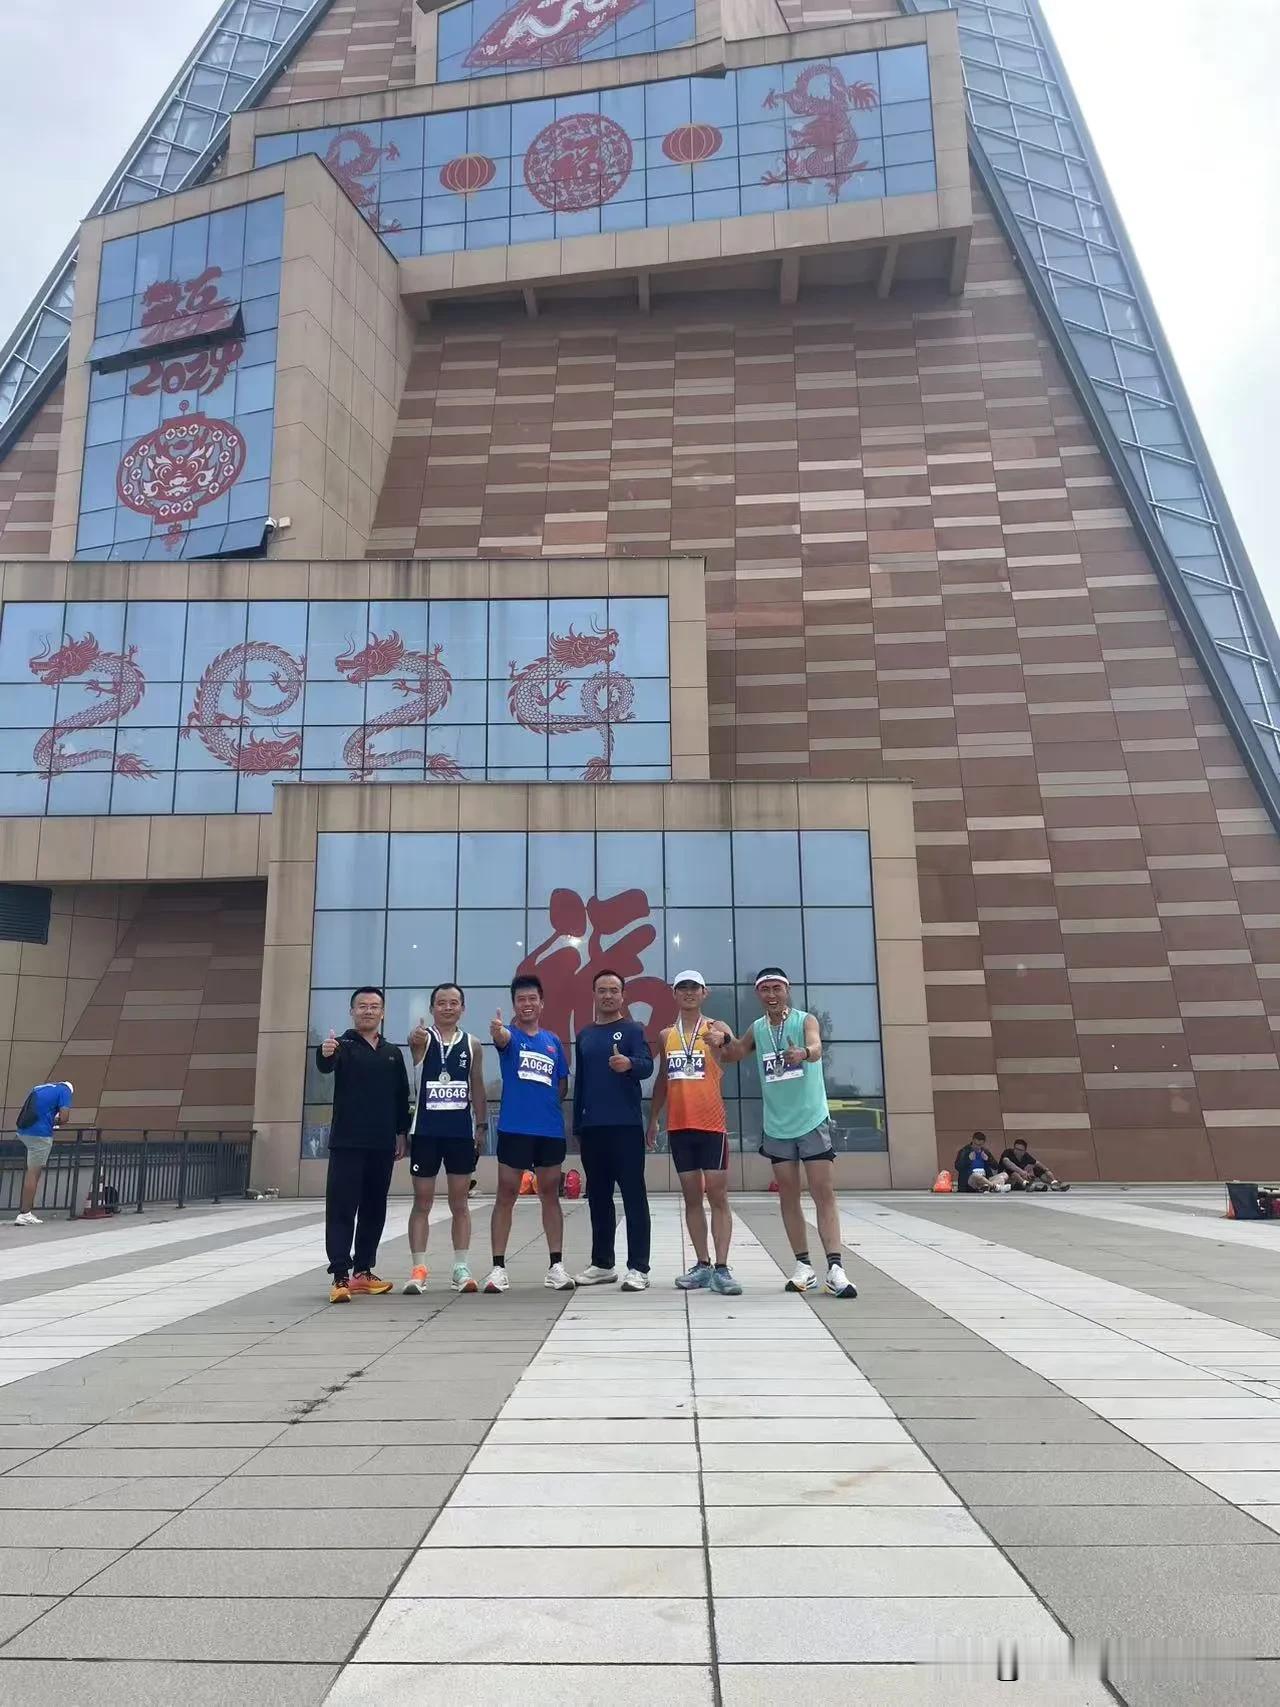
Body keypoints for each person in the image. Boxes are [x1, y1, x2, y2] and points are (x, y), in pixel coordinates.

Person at [719, 968, 857, 1298]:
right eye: (765, 989)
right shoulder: (757, 1028)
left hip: (811, 1119)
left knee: (823, 1191)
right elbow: (735, 1053)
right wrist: (722, 1038)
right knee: (788, 1195)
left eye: (776, 988)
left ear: (787, 990)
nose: (771, 994)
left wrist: (803, 1053)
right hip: (777, 1126)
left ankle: (836, 1268)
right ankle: (803, 1266)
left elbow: (816, 1046)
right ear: (758, 993)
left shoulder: (804, 1020)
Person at [647, 972, 741, 1295]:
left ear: (704, 993)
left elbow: (736, 1053)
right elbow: (663, 1078)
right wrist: (653, 1118)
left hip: (711, 1125)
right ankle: (702, 1264)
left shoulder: (716, 1027)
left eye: (694, 988)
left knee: (717, 1195)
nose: (688, 993)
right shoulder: (666, 1035)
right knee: (691, 1197)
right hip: (679, 1126)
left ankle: (722, 1268)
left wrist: (724, 1041)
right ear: (674, 994)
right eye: (682, 988)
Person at [316, 987, 410, 1303]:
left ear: (382, 1012)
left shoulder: (392, 1052)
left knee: (374, 1208)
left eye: (374, 1006)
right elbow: (325, 1064)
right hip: (347, 1142)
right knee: (342, 1208)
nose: (368, 1010)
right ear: (352, 1011)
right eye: (362, 1006)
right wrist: (325, 1052)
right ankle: (340, 1276)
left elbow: (401, 1096)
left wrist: (401, 1133)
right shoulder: (341, 1046)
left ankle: (363, 1271)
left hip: (382, 1143)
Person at [485, 974, 574, 1294]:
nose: (527, 1004)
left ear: (541, 1003)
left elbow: (561, 1084)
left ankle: (556, 1267)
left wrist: (544, 1104)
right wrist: (498, 1032)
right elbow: (501, 1039)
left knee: (549, 1194)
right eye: (521, 999)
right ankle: (498, 1268)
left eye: (532, 998)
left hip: (549, 1131)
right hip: (514, 1129)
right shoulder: (510, 1037)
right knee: (506, 1193)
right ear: (514, 1005)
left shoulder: (553, 1041)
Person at [572, 969, 654, 1292]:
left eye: (613, 990)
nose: (607, 995)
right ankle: (603, 1263)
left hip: (626, 1127)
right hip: (593, 1128)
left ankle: (639, 1267)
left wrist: (629, 1064)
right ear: (594, 995)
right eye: (602, 990)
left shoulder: (633, 1030)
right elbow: (580, 1083)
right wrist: (577, 1125)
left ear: (623, 996)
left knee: (634, 1197)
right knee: (598, 1197)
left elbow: (647, 1065)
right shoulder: (585, 1035)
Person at [405, 983, 487, 1294]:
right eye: (441, 1003)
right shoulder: (423, 1039)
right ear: (432, 1008)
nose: (448, 1007)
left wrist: (481, 1126)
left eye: (454, 1002)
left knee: (460, 1202)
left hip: (460, 1133)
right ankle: (419, 1269)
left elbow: (477, 1085)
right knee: (422, 1201)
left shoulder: (473, 1044)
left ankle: (460, 1267)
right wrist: (414, 1039)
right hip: (426, 1132)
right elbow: (414, 1047)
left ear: (462, 1008)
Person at [12, 1079, 73, 1226]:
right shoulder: (65, 1091)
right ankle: (25, 1214)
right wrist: (55, 1122)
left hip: (24, 1131)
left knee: (32, 1171)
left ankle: (25, 1212)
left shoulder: (41, 1087)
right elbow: (64, 1118)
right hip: (40, 1135)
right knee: (33, 1173)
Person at [1000, 1137, 1069, 1192]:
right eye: (1016, 1149)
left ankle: (1054, 1183)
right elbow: (1006, 1162)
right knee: (1012, 1171)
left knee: (1037, 1169)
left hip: (1020, 1180)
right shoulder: (1008, 1152)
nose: (1017, 1151)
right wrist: (1022, 1172)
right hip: (1007, 1181)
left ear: (1024, 1151)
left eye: (1020, 1150)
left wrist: (1046, 1170)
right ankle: (1029, 1186)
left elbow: (1037, 1163)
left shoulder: (1025, 1156)